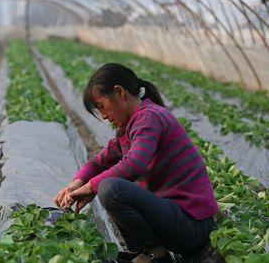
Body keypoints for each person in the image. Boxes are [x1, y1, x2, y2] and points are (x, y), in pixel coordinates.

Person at [54, 63, 218, 263]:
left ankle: (155, 255)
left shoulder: (149, 118)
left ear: (119, 92)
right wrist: (77, 182)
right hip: (176, 220)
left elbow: (134, 165)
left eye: (102, 106)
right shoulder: (128, 128)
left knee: (111, 188)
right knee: (111, 183)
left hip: (193, 226)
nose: (104, 116)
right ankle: (144, 252)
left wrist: (91, 186)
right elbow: (98, 162)